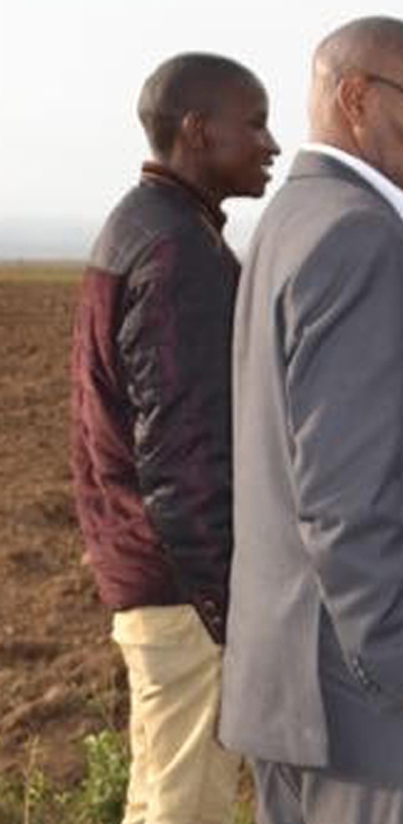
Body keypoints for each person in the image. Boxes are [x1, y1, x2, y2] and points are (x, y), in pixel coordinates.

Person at [222, 16, 403, 824]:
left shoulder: (289, 221)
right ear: (355, 98)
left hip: (294, 692)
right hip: (369, 708)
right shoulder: (359, 239)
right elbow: (344, 496)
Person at [69, 51, 277, 824]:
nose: (271, 143)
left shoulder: (143, 224)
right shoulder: (178, 251)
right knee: (186, 806)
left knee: (159, 792)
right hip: (181, 588)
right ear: (197, 130)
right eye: (253, 122)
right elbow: (184, 455)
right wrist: (226, 602)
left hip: (146, 568)